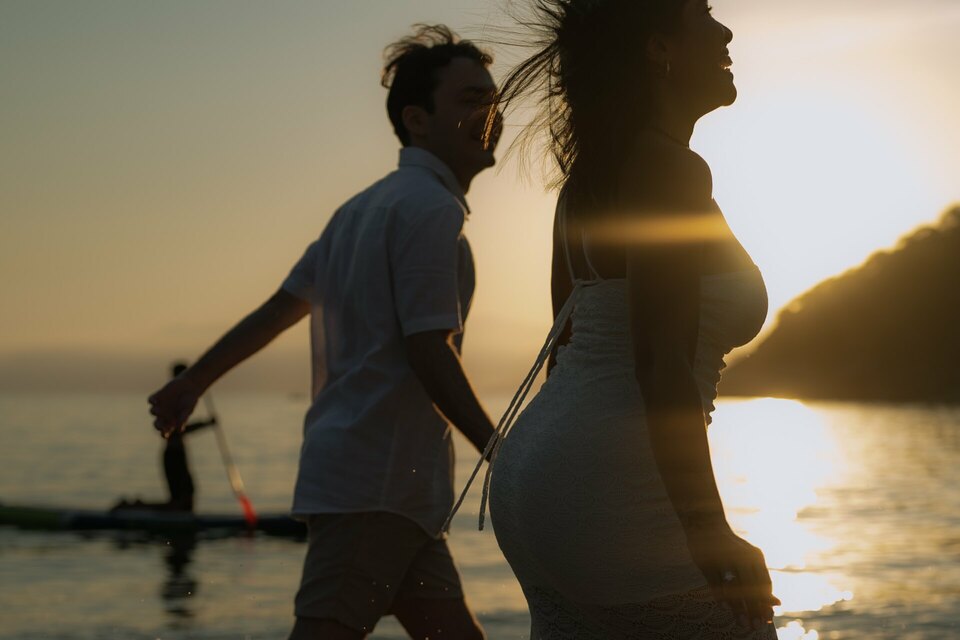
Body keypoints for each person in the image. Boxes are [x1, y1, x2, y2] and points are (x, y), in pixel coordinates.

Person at [147, 24, 501, 640]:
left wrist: (197, 380)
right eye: (470, 99)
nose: (490, 112)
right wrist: (503, 453)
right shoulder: (428, 210)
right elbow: (427, 347)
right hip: (376, 486)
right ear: (417, 120)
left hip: (392, 492)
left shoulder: (361, 210)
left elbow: (283, 307)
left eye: (491, 98)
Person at [478, 1, 780, 637]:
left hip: (536, 477)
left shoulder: (588, 181)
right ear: (657, 48)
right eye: (702, 13)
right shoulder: (671, 171)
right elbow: (659, 358)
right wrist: (707, 528)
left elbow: (563, 349)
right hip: (608, 483)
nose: (724, 31)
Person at [113, 361, 216, 512]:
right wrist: (206, 424)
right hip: (174, 455)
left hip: (178, 454)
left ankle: (136, 507)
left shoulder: (180, 397)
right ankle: (133, 507)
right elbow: (177, 429)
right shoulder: (173, 398)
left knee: (186, 498)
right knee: (179, 501)